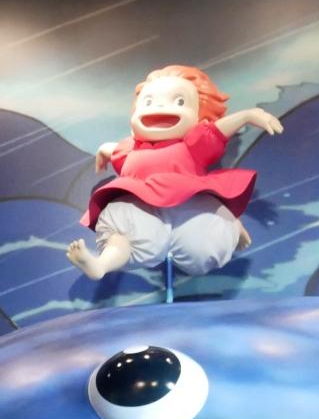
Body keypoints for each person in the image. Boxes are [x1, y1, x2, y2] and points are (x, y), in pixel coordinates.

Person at [66, 64, 282, 280]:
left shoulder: (193, 144)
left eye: (179, 101)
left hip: (189, 205)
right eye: (148, 102)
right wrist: (102, 152)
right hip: (141, 209)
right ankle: (101, 264)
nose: (160, 106)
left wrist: (246, 116)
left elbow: (217, 131)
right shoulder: (131, 149)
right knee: (122, 232)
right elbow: (111, 149)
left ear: (199, 116)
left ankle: (233, 228)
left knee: (210, 226)